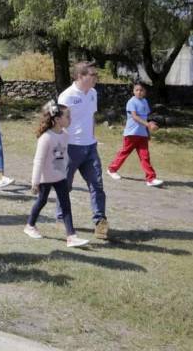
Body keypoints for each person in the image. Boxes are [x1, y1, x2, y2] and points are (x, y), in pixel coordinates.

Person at [25, 101, 89, 248]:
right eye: (67, 116)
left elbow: (64, 155)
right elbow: (38, 160)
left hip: (60, 177)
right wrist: (35, 182)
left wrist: (65, 172)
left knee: (66, 205)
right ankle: (30, 226)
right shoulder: (46, 138)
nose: (70, 119)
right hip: (45, 178)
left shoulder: (65, 135)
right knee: (42, 201)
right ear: (57, 119)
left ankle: (71, 237)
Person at [58, 61, 109, 239]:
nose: (96, 78)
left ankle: (100, 221)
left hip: (90, 147)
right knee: (65, 185)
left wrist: (93, 138)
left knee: (97, 185)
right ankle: (61, 216)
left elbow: (92, 117)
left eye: (96, 75)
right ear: (80, 76)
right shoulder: (66, 96)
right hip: (71, 147)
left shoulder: (93, 93)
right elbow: (59, 123)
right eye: (92, 75)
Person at [107, 82, 163, 187]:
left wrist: (147, 132)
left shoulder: (145, 102)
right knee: (124, 153)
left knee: (145, 156)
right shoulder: (131, 102)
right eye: (136, 90)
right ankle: (111, 169)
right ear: (133, 91)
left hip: (142, 135)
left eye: (141, 90)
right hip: (131, 134)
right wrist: (148, 125)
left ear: (145, 92)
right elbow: (135, 117)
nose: (139, 92)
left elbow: (145, 117)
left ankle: (150, 179)